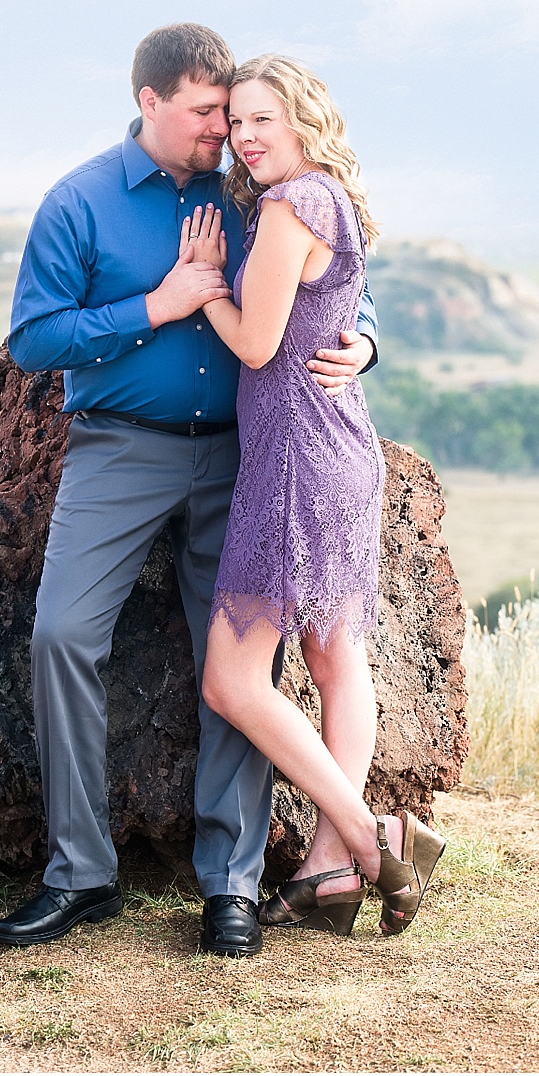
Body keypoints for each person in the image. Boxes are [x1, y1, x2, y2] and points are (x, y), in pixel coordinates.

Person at [0, 23, 379, 958]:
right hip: (120, 450)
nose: (225, 131)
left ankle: (231, 883)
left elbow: (334, 279)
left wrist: (366, 340)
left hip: (248, 459)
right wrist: (161, 303)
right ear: (151, 103)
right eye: (210, 112)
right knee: (62, 633)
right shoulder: (77, 201)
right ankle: (80, 872)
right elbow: (33, 340)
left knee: (244, 672)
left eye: (236, 114)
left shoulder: (254, 191)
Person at [186, 55, 444, 938]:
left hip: (296, 463)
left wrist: (206, 290)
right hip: (338, 453)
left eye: (264, 120)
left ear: (302, 119)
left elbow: (257, 345)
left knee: (232, 679)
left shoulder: (294, 205)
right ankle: (331, 867)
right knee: (338, 660)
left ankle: (376, 845)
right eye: (237, 123)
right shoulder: (331, 193)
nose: (246, 137)